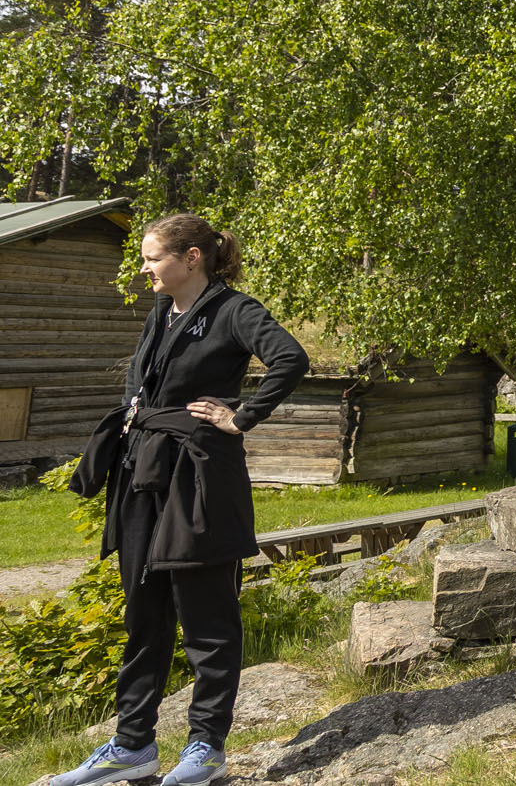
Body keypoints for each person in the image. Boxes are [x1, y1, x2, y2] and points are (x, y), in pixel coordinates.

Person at [56, 213, 308, 786]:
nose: (144, 268)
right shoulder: (160, 312)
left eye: (152, 258)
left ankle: (206, 748)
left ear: (191, 257)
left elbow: (290, 360)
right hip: (143, 474)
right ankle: (132, 746)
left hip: (199, 478)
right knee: (143, 613)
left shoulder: (234, 310)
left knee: (207, 617)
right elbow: (139, 385)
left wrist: (240, 416)